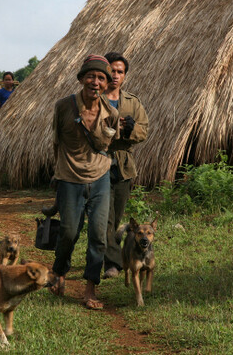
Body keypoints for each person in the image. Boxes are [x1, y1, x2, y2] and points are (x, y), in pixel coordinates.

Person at [49, 54, 120, 310]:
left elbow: (109, 146)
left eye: (101, 78)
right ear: (81, 79)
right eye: (91, 76)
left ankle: (90, 288)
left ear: (106, 84)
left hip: (100, 177)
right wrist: (58, 176)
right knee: (68, 232)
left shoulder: (111, 113)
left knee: (98, 235)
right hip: (69, 177)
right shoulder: (63, 107)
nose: (96, 82)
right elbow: (56, 143)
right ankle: (59, 272)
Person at [102, 52, 148, 279]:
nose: (115, 75)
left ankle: (111, 249)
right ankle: (112, 263)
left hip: (123, 167)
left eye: (120, 72)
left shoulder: (132, 102)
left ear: (125, 76)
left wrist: (130, 128)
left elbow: (144, 131)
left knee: (116, 217)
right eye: (112, 70)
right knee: (106, 218)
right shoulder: (94, 98)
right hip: (98, 164)